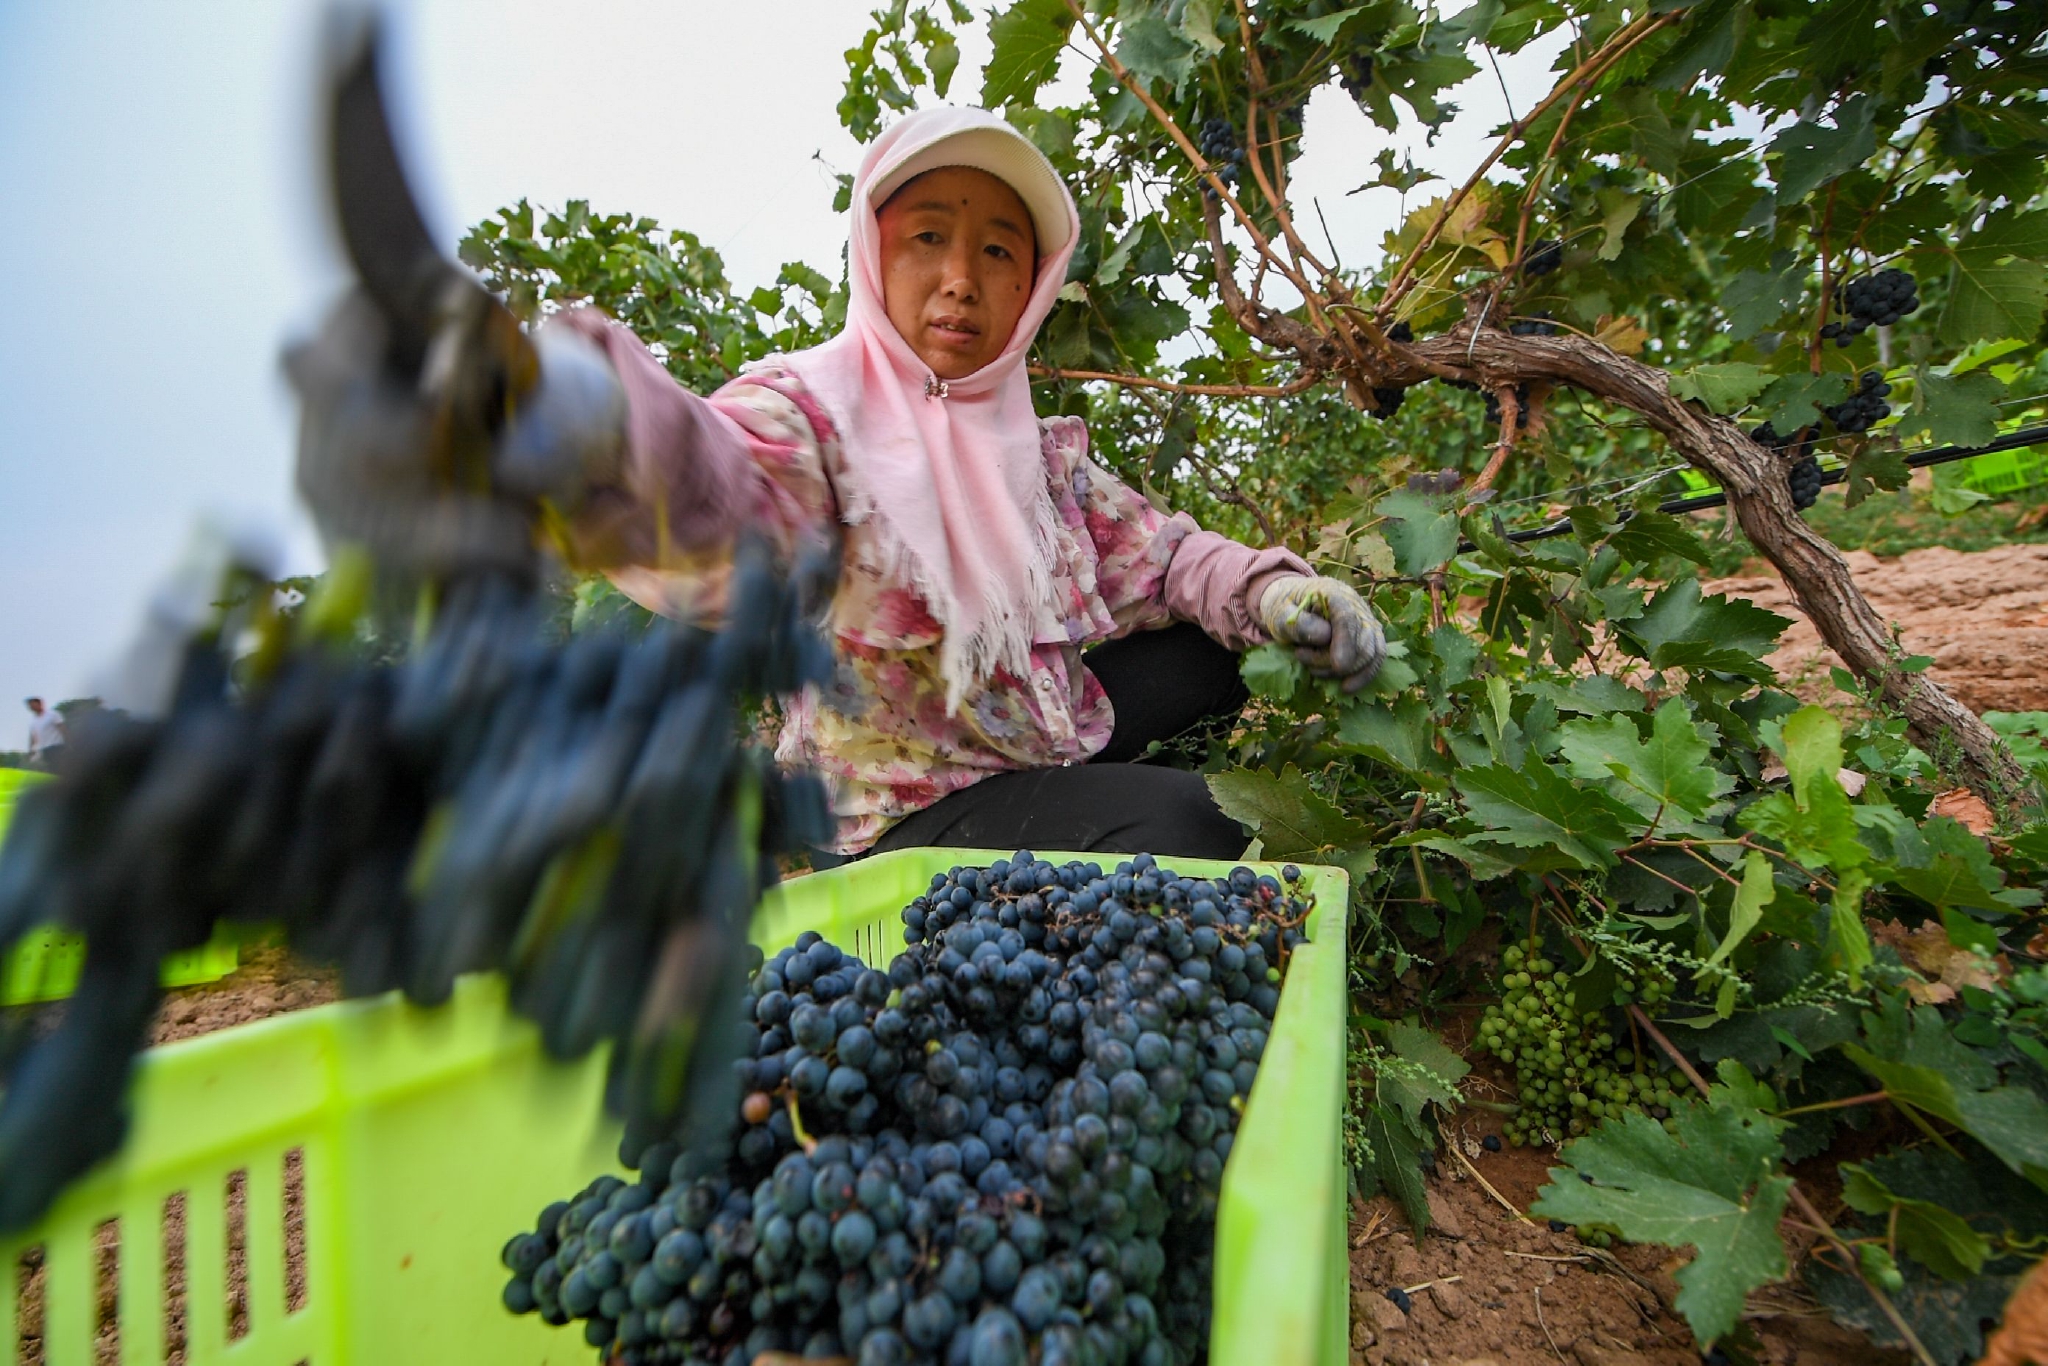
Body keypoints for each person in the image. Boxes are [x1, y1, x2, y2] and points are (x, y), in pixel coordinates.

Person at [294, 108, 1383, 862]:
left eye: (998, 251)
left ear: (1031, 285)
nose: (960, 277)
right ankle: (1055, 836)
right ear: (873, 252)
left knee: (1225, 643)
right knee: (1202, 829)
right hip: (897, 810)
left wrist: (1277, 594)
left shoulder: (1037, 456)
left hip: (1033, 733)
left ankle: (1090, 789)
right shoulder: (809, 415)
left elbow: (1167, 554)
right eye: (927, 238)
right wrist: (585, 416)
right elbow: (719, 490)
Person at [24, 698, 64, 771]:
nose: (32, 707)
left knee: (61, 766)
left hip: (57, 746)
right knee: (52, 768)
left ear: (40, 704)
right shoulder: (34, 721)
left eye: (33, 705)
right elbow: (33, 737)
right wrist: (31, 750)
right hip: (45, 749)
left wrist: (70, 742)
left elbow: (62, 728)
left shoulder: (52, 715)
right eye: (30, 706)